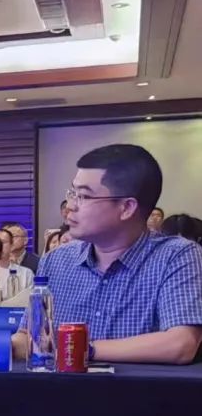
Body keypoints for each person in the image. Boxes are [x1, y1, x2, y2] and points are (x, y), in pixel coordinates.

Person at [12, 144, 202, 364]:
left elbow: (181, 344)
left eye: (84, 196)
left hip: (138, 387)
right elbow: (31, 338)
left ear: (126, 207)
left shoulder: (177, 256)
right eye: (72, 193)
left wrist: (80, 349)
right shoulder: (56, 260)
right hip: (58, 386)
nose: (70, 206)